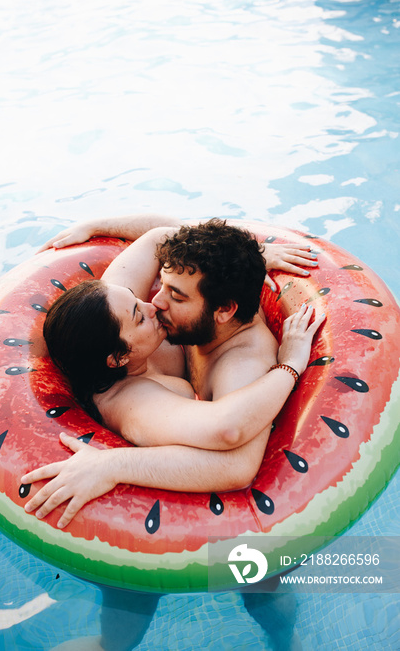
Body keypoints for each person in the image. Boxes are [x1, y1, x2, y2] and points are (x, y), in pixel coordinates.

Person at [22, 215, 323, 529]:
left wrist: (253, 259)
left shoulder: (239, 366)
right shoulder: (128, 365)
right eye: (141, 311)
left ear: (224, 309)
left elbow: (236, 459)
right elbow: (158, 239)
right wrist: (290, 365)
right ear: (118, 357)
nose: (154, 302)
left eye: (176, 295)